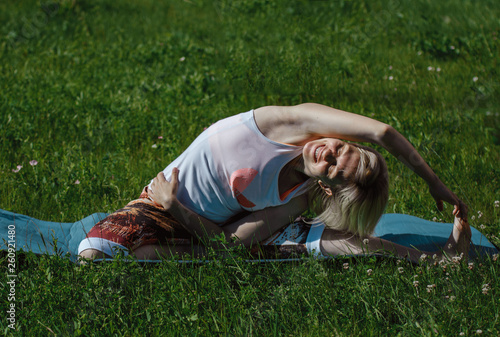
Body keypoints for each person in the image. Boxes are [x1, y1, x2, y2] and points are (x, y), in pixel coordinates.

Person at [78, 103, 470, 261]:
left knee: (330, 241)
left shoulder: (298, 198)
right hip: (154, 204)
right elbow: (383, 131)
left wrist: (175, 205)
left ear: (329, 187)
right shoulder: (287, 124)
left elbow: (228, 244)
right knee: (92, 253)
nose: (327, 153)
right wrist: (435, 184)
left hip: (183, 215)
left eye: (334, 168)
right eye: (339, 147)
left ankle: (437, 260)